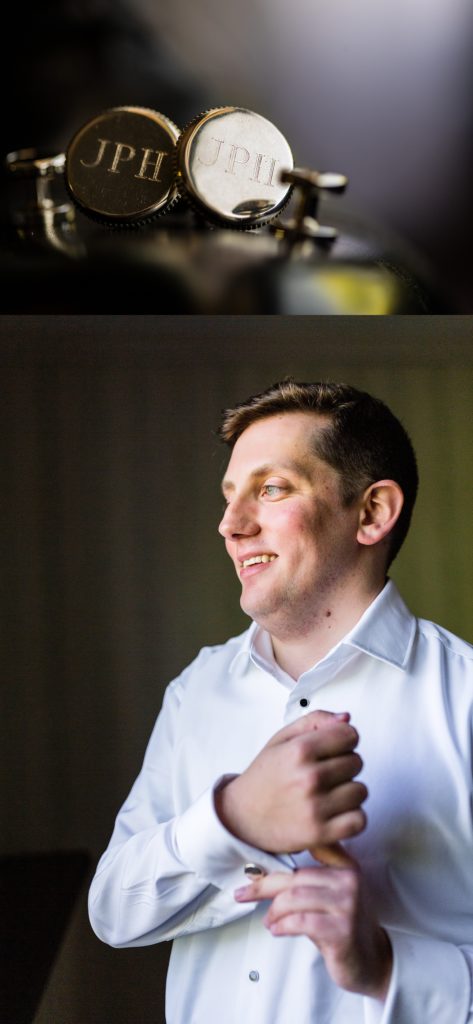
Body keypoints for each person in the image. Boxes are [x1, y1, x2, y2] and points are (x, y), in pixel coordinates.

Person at [89, 378, 473, 1023]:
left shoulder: (465, 697)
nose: (231, 525)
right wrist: (231, 820)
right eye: (230, 496)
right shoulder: (196, 690)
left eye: (271, 489)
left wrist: (386, 967)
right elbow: (113, 914)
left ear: (373, 512)